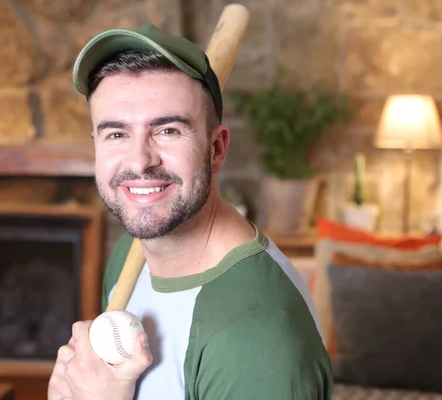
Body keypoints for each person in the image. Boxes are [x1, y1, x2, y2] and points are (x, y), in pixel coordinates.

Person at [48, 23, 332, 400]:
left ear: (216, 149)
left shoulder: (255, 337)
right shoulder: (131, 253)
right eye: (116, 133)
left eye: (167, 130)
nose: (140, 161)